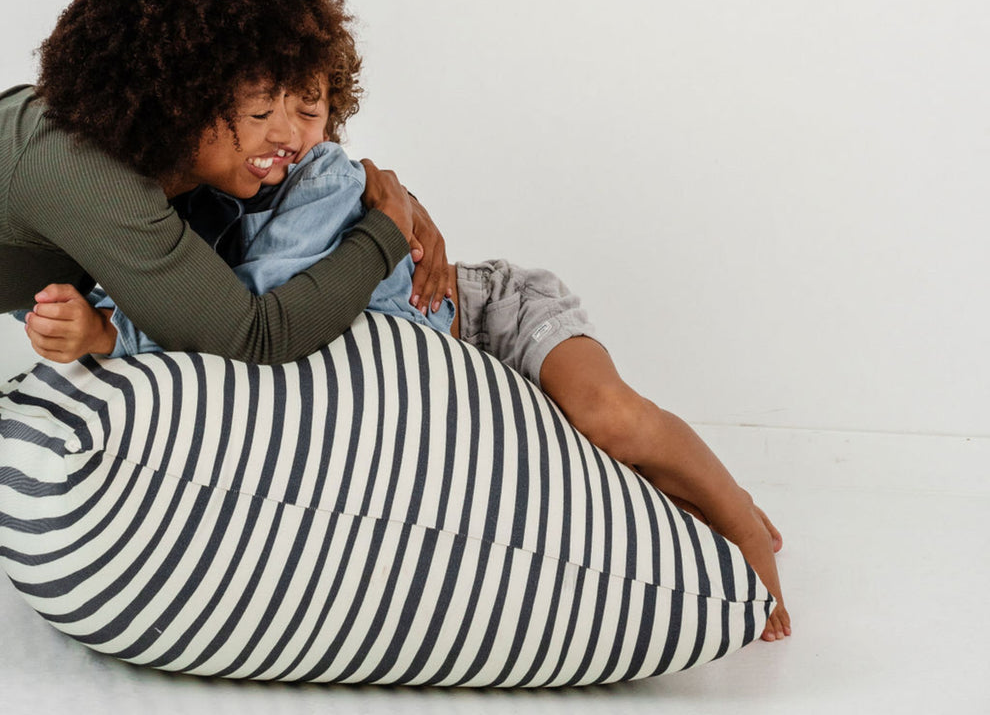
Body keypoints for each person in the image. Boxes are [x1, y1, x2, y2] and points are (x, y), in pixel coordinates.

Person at [24, 69, 793, 643]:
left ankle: (745, 526)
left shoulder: (325, 178)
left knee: (606, 419)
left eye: (312, 107)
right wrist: (100, 318)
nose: (288, 132)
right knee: (592, 482)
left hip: (489, 315)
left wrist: (111, 334)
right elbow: (175, 285)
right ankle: (677, 518)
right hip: (442, 342)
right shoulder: (189, 201)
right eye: (260, 112)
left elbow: (244, 310)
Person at [1, 0, 453, 365]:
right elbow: (255, 336)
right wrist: (387, 229)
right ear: (179, 103)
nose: (283, 133)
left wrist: (386, 194)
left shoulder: (155, 164)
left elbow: (294, 189)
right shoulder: (90, 175)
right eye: (259, 113)